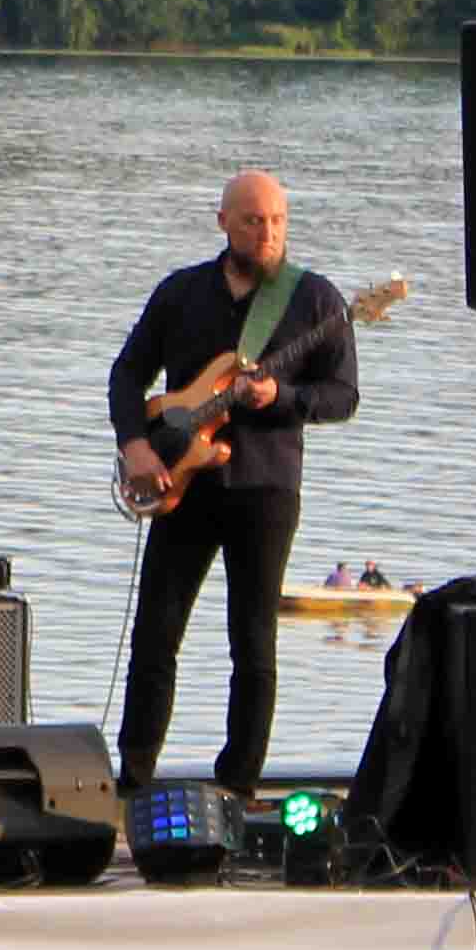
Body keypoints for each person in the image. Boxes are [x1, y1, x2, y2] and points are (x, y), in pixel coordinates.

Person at [105, 170, 361, 793]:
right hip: (180, 485)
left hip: (266, 489)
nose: (267, 232)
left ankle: (237, 788)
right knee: (156, 634)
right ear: (223, 221)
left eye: (277, 221)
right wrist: (135, 445)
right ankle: (135, 781)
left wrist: (282, 396)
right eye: (253, 220)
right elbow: (127, 374)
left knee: (252, 644)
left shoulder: (316, 300)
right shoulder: (182, 292)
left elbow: (343, 396)